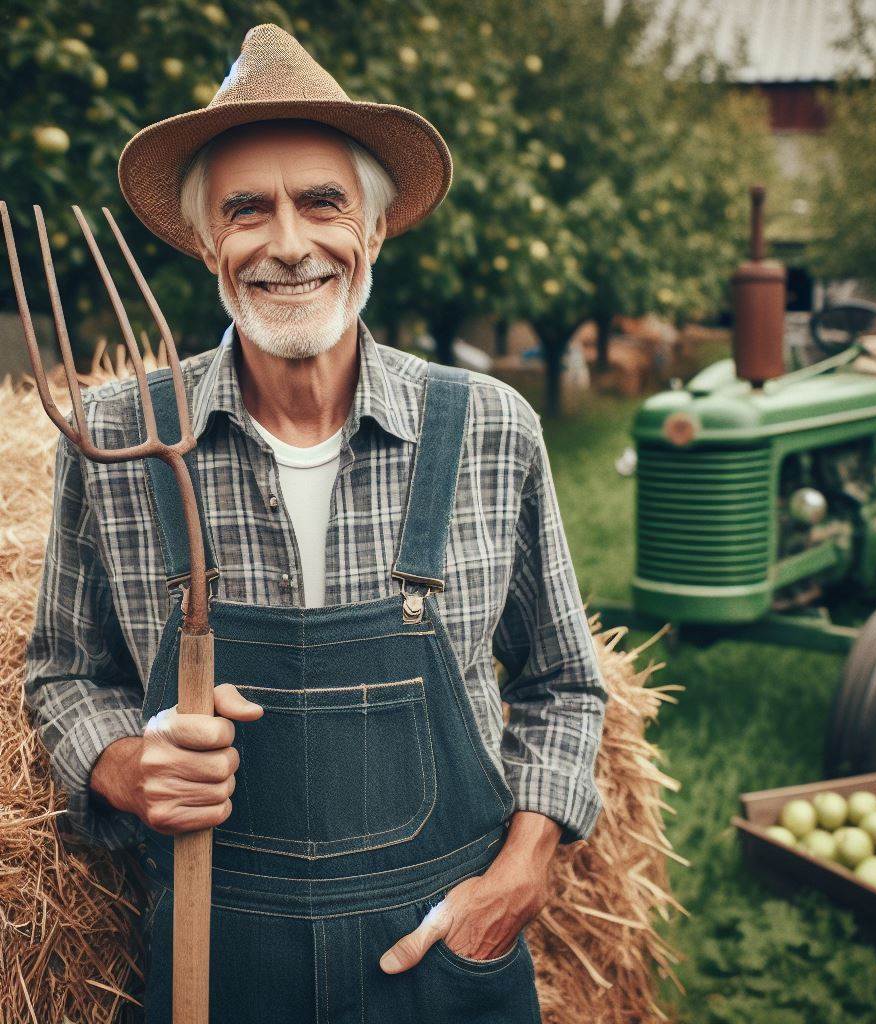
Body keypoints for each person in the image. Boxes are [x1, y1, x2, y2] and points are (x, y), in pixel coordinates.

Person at [23, 23, 606, 1024]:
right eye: (247, 210)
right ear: (208, 242)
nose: (288, 243)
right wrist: (124, 764)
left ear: (374, 230)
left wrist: (521, 870)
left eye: (322, 202)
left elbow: (562, 681)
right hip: (218, 956)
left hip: (438, 954)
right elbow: (62, 671)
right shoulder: (119, 437)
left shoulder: (487, 428)